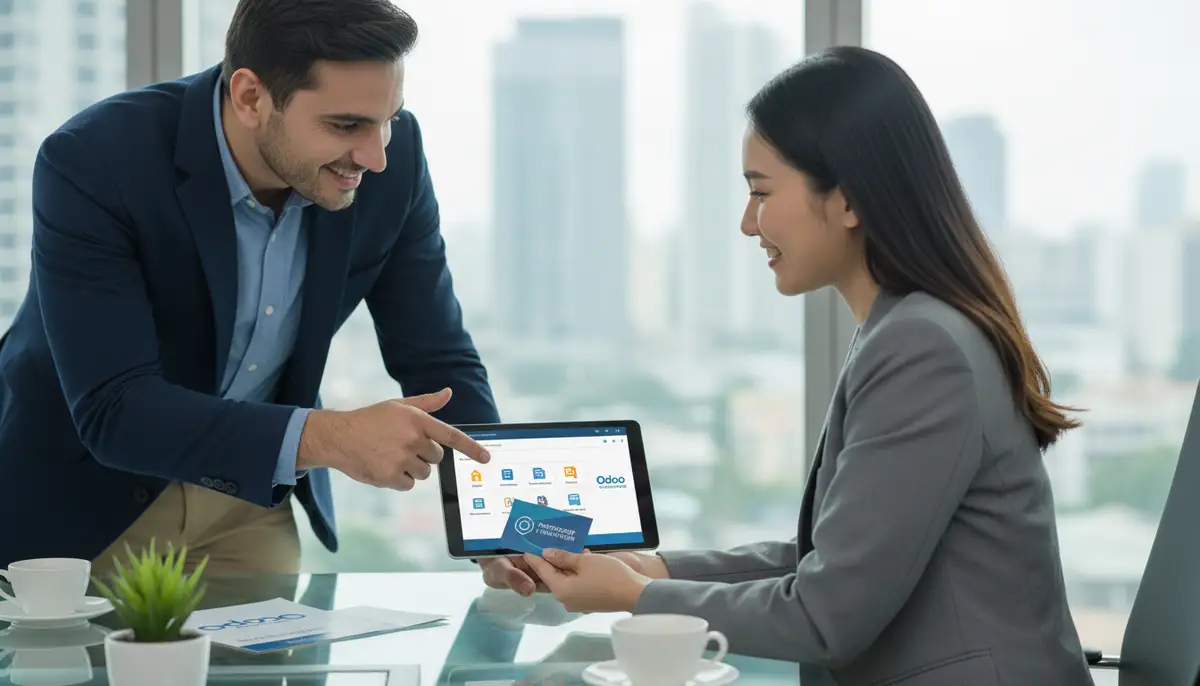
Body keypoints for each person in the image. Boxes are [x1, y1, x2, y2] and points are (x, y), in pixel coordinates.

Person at [481, 46, 1096, 686]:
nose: (748, 224)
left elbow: (825, 616)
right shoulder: (907, 328)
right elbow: (829, 564)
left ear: (849, 199)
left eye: (761, 192)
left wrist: (635, 596)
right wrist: (653, 571)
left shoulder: (920, 348)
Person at [0, 0, 498, 573]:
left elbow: (438, 357)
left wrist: (501, 525)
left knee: (281, 637)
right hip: (82, 503)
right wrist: (333, 437)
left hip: (248, 496)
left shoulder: (392, 159)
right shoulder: (95, 159)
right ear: (251, 97)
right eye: (346, 125)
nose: (375, 156)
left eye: (388, 118)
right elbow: (116, 408)